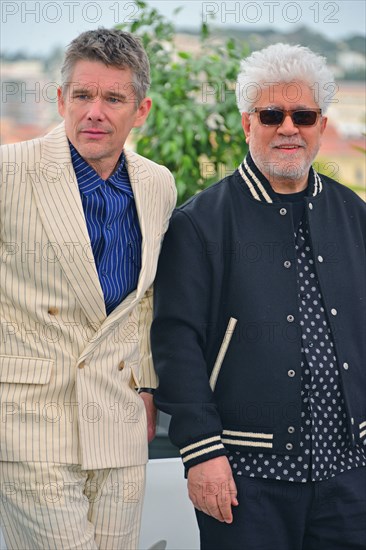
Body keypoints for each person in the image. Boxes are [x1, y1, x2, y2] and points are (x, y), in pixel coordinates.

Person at [151, 43, 366, 549]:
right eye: (272, 114)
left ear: (321, 124)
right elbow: (176, 343)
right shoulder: (199, 223)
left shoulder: (353, 214)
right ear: (248, 123)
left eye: (304, 115)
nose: (288, 127)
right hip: (245, 479)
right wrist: (202, 453)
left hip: (350, 478)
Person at [0, 28, 176, 550]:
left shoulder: (157, 184)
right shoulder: (10, 173)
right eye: (82, 95)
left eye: (113, 98)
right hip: (31, 421)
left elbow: (143, 300)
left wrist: (146, 385)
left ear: (140, 110)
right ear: (60, 100)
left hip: (120, 422)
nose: (94, 111)